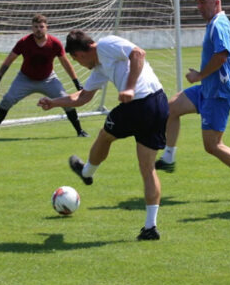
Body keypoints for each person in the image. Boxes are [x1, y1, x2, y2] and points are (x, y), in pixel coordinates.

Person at [37, 30, 168, 241]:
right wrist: (53, 102)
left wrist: (130, 88)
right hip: (158, 104)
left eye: (75, 60)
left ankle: (87, 172)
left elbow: (138, 53)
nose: (78, 64)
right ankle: (150, 227)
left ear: (79, 54)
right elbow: (83, 97)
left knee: (105, 136)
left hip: (139, 103)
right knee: (147, 168)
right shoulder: (100, 68)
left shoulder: (106, 45)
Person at [155, 0, 230, 200]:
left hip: (218, 94)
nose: (199, 7)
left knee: (213, 145)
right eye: (197, 2)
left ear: (216, 3)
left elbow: (222, 56)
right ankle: (168, 158)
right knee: (170, 108)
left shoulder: (219, 25)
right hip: (208, 89)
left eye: (203, 2)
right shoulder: (217, 23)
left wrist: (199, 75)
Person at [0, 14, 88, 141]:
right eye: (36, 26)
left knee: (67, 102)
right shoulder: (24, 42)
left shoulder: (55, 43)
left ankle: (80, 131)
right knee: (7, 100)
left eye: (41, 26)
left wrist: (76, 81)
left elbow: (65, 63)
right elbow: (9, 59)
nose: (38, 29)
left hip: (48, 79)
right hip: (25, 79)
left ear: (46, 27)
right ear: (32, 28)